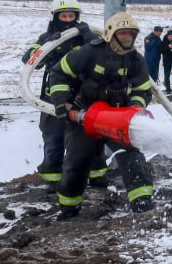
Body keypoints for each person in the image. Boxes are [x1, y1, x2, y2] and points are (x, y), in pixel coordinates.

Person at [45, 11, 155, 217]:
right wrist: (61, 103)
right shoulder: (88, 53)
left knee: (132, 157)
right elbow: (58, 73)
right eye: (123, 34)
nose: (128, 38)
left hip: (118, 118)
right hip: (84, 116)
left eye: (131, 34)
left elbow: (143, 89)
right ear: (111, 34)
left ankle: (142, 203)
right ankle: (69, 208)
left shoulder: (135, 60)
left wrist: (134, 110)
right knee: (76, 162)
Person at [22, 0, 107, 191]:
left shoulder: (86, 36)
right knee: (53, 136)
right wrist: (47, 46)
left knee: (91, 133)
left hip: (83, 94)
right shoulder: (46, 38)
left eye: (71, 16)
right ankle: (54, 178)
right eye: (64, 16)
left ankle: (97, 175)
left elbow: (102, 52)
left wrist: (88, 36)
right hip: (53, 96)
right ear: (55, 17)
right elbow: (29, 60)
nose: (68, 20)